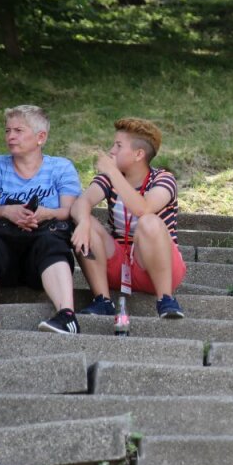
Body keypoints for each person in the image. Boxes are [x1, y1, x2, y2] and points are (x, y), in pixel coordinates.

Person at [0, 105, 82, 332]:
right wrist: (7, 211)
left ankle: (67, 315)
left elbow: (69, 210)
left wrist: (46, 213)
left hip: (41, 248)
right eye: (8, 131)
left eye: (18, 130)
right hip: (3, 248)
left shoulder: (61, 167)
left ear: (41, 137)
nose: (11, 136)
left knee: (52, 244)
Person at [71, 118, 186, 319]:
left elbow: (144, 208)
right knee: (86, 222)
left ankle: (166, 299)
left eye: (118, 145)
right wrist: (82, 222)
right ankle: (102, 300)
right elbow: (82, 202)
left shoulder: (163, 179)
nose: (111, 151)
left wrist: (113, 172)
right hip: (119, 264)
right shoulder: (109, 179)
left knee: (148, 221)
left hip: (156, 268)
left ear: (138, 154)